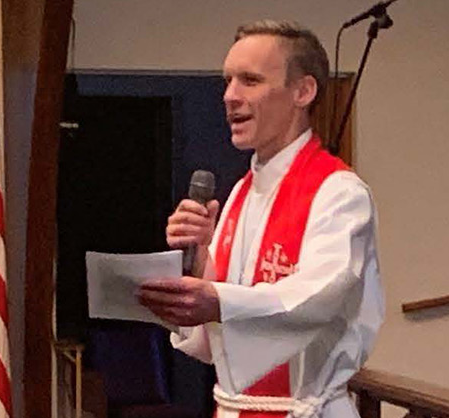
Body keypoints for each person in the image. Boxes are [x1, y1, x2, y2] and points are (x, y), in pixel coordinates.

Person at [140, 20, 382, 418]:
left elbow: (318, 298)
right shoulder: (240, 193)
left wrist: (216, 299)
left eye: (249, 80)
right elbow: (213, 343)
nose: (229, 96)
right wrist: (199, 263)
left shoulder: (339, 193)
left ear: (303, 91)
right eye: (228, 80)